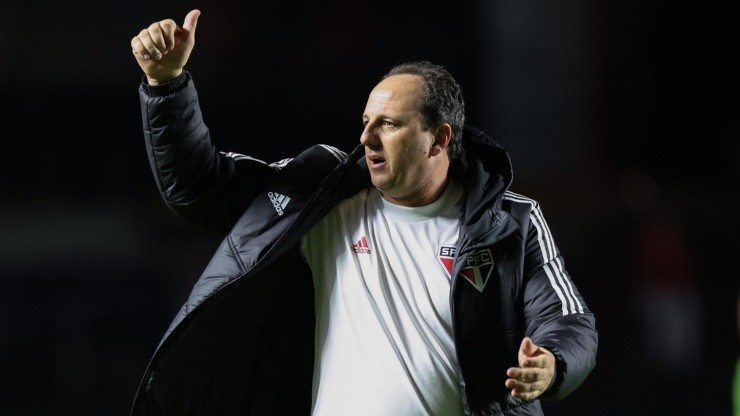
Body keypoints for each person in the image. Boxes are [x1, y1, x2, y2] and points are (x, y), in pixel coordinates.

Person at [130, 9, 597, 416]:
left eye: (389, 124)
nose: (367, 138)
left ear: (440, 139)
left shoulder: (510, 221)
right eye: (366, 123)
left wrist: (551, 365)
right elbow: (201, 186)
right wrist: (166, 85)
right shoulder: (321, 196)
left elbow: (569, 321)